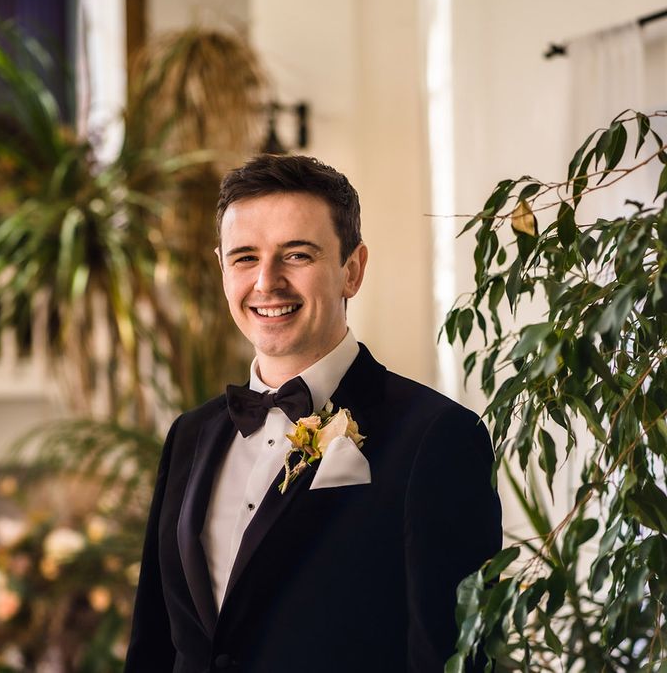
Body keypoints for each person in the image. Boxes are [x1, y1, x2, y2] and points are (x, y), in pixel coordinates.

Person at [124, 154, 502, 673]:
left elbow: (454, 657)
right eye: (244, 258)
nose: (266, 282)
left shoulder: (437, 438)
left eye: (297, 255)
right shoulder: (190, 435)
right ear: (222, 269)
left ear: (352, 269)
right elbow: (155, 645)